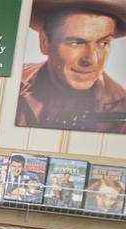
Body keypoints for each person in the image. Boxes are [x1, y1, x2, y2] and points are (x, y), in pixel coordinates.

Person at [17, 0, 126, 133]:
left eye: (103, 43)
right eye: (76, 42)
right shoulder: (15, 82)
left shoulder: (121, 107)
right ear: (45, 43)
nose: (92, 59)